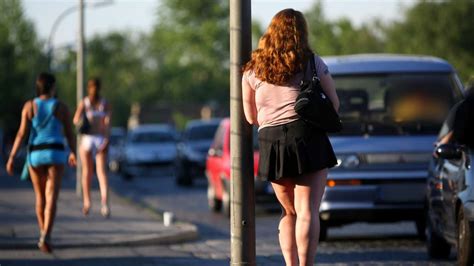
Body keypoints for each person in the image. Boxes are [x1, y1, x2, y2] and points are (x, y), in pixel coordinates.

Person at [242, 9, 339, 266]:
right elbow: (334, 104)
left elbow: (250, 117)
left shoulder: (252, 70)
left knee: (289, 212)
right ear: (302, 32)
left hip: (272, 143)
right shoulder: (311, 61)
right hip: (308, 137)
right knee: (307, 212)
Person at [6, 72, 77, 253]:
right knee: (52, 196)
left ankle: (42, 232)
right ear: (53, 87)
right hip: (56, 154)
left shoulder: (30, 106)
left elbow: (22, 134)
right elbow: (70, 133)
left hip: (35, 156)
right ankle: (47, 234)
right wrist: (74, 153)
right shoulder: (61, 107)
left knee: (40, 197)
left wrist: (12, 157)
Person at [73, 77, 112, 218]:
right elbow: (108, 123)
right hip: (99, 138)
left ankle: (87, 202)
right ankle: (104, 204)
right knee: (101, 173)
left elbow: (75, 119)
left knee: (87, 173)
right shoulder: (104, 103)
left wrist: (84, 120)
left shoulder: (85, 102)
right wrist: (107, 139)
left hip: (87, 139)